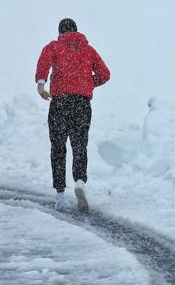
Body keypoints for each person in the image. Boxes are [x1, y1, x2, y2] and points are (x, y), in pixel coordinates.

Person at [35, 18, 110, 212]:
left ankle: (60, 195)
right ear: (77, 31)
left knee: (58, 148)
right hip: (82, 104)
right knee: (79, 145)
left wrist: (41, 85)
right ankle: (79, 182)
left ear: (60, 32)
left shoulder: (54, 46)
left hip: (60, 102)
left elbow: (44, 63)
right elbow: (104, 74)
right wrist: (86, 82)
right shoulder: (88, 50)